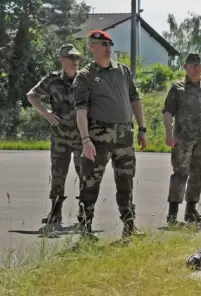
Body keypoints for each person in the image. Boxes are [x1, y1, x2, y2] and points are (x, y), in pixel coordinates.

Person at [72, 30, 147, 241]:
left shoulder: (122, 71)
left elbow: (135, 100)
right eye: (102, 44)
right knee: (90, 182)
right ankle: (85, 229)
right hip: (98, 138)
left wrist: (142, 128)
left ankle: (129, 227)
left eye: (109, 44)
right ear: (91, 47)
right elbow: (81, 111)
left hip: (124, 136)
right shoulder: (85, 76)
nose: (107, 48)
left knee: (126, 181)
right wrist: (85, 140)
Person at [162, 52, 201, 226]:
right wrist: (168, 134)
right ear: (185, 67)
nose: (196, 68)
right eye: (192, 65)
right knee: (180, 173)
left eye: (199, 65)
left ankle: (191, 210)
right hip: (182, 139)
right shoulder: (178, 88)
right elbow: (168, 112)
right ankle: (173, 214)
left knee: (198, 173)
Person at [26, 43, 83, 226]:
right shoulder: (52, 80)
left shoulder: (86, 79)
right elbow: (32, 95)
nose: (75, 61)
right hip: (60, 136)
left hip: (82, 137)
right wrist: (46, 113)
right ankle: (56, 211)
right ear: (62, 59)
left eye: (77, 58)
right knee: (58, 174)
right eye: (71, 58)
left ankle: (84, 211)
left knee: (85, 174)